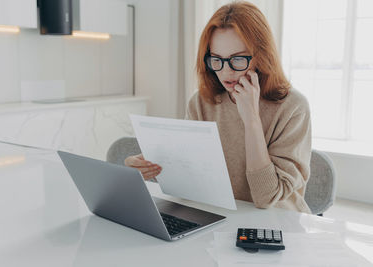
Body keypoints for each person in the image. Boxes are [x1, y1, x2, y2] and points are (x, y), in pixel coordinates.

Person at [125, 1, 312, 213]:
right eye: (217, 60)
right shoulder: (202, 102)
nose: (226, 72)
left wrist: (251, 119)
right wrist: (148, 166)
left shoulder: (293, 107)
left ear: (261, 56)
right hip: (221, 218)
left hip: (276, 226)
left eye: (238, 59)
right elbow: (190, 174)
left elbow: (266, 197)